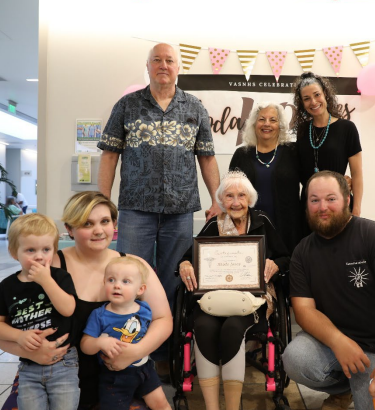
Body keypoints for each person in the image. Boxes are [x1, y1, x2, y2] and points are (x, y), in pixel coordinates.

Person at [97, 43, 221, 373]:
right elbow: (109, 155)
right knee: (127, 280)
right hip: (135, 207)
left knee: (171, 282)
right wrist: (102, 202)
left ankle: (164, 356)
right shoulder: (127, 105)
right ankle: (127, 352)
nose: (163, 65)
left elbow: (207, 158)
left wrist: (216, 200)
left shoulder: (194, 107)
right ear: (148, 66)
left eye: (169, 61)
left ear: (178, 68)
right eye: (157, 60)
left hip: (181, 211)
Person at [0, 191, 173, 410]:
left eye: (104, 221)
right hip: (55, 371)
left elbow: (163, 318)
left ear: (114, 224)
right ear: (70, 229)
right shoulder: (48, 264)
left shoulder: (134, 266)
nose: (98, 231)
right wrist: (29, 351)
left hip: (118, 373)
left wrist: (136, 352)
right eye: (87, 223)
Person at [281, 171, 375, 410]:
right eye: (314, 200)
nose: (323, 207)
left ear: (347, 199)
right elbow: (303, 310)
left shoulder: (372, 236)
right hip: (337, 346)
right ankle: (346, 389)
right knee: (296, 359)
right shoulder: (302, 252)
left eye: (331, 199)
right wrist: (338, 341)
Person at [178, 171, 290, 410]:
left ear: (249, 198)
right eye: (229, 196)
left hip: (252, 300)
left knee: (233, 327)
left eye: (241, 195)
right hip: (214, 299)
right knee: (204, 326)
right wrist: (185, 263)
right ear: (222, 200)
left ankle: (231, 407)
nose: (236, 202)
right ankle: (211, 407)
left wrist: (276, 264)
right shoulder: (213, 224)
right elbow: (189, 257)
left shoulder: (262, 221)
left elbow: (285, 257)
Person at [0, 213, 79, 410]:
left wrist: (46, 281)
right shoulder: (7, 286)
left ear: (54, 251)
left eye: (46, 249)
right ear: (14, 252)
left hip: (64, 363)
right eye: (30, 250)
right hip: (29, 367)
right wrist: (19, 336)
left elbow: (69, 309)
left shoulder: (60, 277)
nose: (39, 256)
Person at [81, 256, 171, 410]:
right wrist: (99, 342)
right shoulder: (99, 315)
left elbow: (157, 329)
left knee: (161, 403)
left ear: (140, 289)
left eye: (125, 281)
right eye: (111, 280)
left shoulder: (145, 309)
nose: (117, 286)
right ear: (104, 283)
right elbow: (85, 345)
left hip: (145, 369)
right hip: (115, 377)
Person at [229, 102, 302, 255]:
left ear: (280, 125)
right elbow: (229, 191)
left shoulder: (294, 152)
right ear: (254, 124)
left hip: (288, 228)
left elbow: (311, 180)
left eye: (273, 120)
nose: (266, 124)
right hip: (250, 229)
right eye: (262, 119)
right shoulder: (241, 154)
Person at [292, 71, 364, 217]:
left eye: (317, 95)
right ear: (302, 103)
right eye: (307, 98)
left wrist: (356, 210)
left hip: (337, 205)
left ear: (325, 93)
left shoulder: (347, 128)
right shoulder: (302, 130)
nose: (313, 102)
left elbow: (357, 174)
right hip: (309, 207)